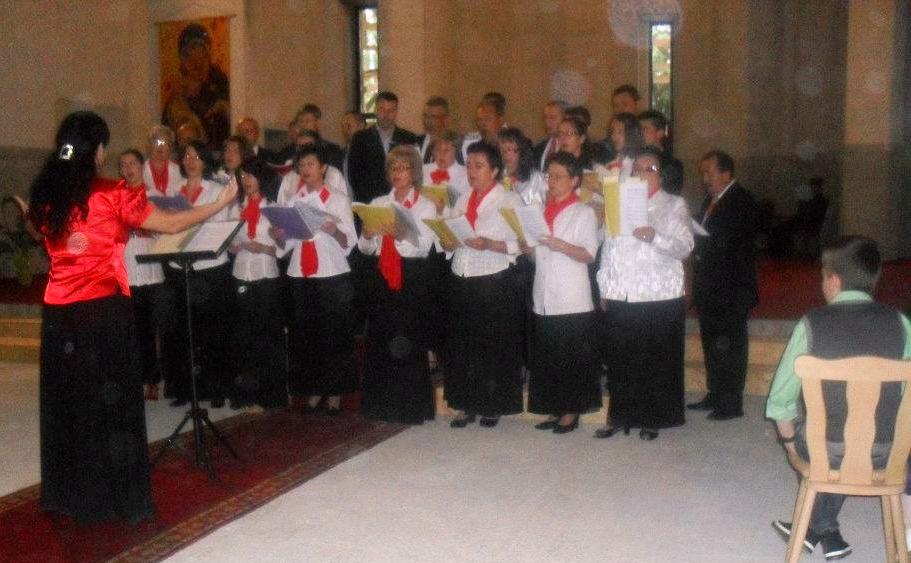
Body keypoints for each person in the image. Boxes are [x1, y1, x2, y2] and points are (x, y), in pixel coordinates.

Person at [29, 111, 236, 524]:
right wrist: (220, 203)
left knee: (70, 403)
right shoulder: (110, 193)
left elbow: (49, 238)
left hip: (59, 315)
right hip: (102, 310)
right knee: (110, 406)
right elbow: (170, 223)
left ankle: (70, 492)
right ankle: (113, 495)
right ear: (97, 151)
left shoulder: (46, 193)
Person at [768, 236, 911, 561]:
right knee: (857, 436)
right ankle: (825, 529)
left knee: (820, 439)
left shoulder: (811, 325)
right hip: (888, 451)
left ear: (833, 280)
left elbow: (779, 402)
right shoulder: (901, 323)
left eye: (822, 275)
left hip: (828, 450)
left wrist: (789, 445)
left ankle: (813, 529)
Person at [594, 147, 693, 441]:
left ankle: (654, 417)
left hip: (658, 295)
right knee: (621, 359)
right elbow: (608, 248)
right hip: (622, 293)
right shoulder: (618, 203)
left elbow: (685, 246)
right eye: (637, 169)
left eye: (650, 169)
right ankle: (620, 416)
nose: (641, 173)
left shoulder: (673, 204)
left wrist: (654, 236)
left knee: (655, 360)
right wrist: (605, 286)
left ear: (661, 177)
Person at [443, 141, 524, 428]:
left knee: (492, 344)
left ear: (495, 170)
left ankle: (493, 404)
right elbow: (449, 237)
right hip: (462, 274)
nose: (471, 172)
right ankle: (465, 403)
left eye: (479, 166)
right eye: (468, 166)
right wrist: (447, 240)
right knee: (463, 343)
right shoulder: (461, 199)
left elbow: (522, 243)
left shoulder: (509, 200)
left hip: (493, 277)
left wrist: (489, 244)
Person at [273, 145, 358, 414]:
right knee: (306, 334)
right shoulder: (294, 200)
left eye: (311, 164)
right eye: (302, 165)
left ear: (323, 168)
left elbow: (350, 241)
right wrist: (278, 234)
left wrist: (334, 231)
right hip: (301, 271)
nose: (305, 169)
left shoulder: (337, 199)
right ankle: (313, 387)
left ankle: (335, 391)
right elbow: (285, 245)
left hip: (330, 271)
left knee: (333, 333)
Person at [357, 146, 438, 423]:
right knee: (381, 339)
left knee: (408, 341)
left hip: (411, 276)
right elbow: (365, 249)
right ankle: (382, 405)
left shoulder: (425, 205)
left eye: (403, 168)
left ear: (414, 173)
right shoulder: (379, 202)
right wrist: (368, 235)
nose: (397, 173)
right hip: (382, 275)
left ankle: (410, 407)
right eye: (393, 168)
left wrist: (402, 234)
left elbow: (424, 247)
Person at [526, 152, 602, 434]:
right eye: (550, 176)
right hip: (544, 293)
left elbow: (589, 254)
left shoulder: (583, 212)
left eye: (559, 176)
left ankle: (571, 410)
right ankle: (553, 406)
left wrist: (560, 245)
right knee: (549, 355)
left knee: (570, 357)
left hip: (571, 296)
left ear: (574, 181)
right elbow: (538, 256)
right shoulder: (539, 211)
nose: (552, 181)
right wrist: (528, 249)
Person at [687, 150, 760, 420]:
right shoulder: (711, 199)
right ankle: (715, 393)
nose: (704, 178)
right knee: (712, 343)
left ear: (726, 173)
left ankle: (731, 402)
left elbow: (737, 241)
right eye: (703, 173)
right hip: (710, 286)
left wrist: (706, 239)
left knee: (731, 345)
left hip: (732, 287)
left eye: (709, 172)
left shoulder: (741, 200)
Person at [164, 141, 236, 409]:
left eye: (196, 156)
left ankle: (216, 387)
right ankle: (186, 388)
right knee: (183, 331)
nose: (190, 160)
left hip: (209, 267)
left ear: (205, 161)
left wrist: (191, 219)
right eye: (186, 156)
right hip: (180, 265)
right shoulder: (174, 190)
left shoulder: (216, 190)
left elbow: (220, 225)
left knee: (212, 331)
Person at [228, 158, 287, 409]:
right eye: (242, 176)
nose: (246, 181)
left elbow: (283, 249)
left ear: (261, 178)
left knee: (267, 337)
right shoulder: (236, 209)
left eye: (250, 175)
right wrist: (234, 246)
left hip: (266, 274)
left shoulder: (273, 209)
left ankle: (270, 394)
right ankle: (245, 393)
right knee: (244, 336)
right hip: (242, 272)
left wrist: (264, 246)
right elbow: (228, 243)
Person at [119, 149, 172, 401]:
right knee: (130, 329)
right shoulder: (116, 197)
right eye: (123, 165)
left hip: (150, 270)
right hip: (126, 268)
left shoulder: (155, 196)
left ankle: (152, 379)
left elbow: (167, 230)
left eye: (132, 163)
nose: (128, 169)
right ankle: (132, 379)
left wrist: (150, 229)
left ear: (142, 166)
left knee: (151, 329)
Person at [161, 23, 230, 151]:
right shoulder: (175, 104)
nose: (197, 65)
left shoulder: (221, 91)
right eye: (190, 59)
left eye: (202, 57)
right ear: (183, 62)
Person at [347, 91, 418, 204]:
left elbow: (415, 173)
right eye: (382, 109)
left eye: (391, 110)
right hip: (370, 202)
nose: (386, 114)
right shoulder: (360, 138)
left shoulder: (408, 139)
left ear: (396, 112)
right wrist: (369, 203)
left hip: (401, 201)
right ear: (376, 110)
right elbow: (354, 175)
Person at [498, 127, 548, 205]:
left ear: (521, 151)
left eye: (509, 149)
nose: (506, 155)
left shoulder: (537, 179)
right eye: (502, 150)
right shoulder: (498, 177)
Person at [422, 130, 469, 205]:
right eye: (437, 149)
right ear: (433, 152)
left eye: (446, 150)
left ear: (456, 151)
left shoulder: (466, 174)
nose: (442, 154)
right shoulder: (422, 170)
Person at [293, 104, 345, 170]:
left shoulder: (331, 150)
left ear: (317, 123)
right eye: (301, 121)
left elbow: (334, 174)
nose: (303, 125)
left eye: (307, 121)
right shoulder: (293, 149)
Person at [142, 125, 184, 197]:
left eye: (164, 142)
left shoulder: (179, 170)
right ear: (149, 146)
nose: (160, 146)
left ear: (170, 148)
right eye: (156, 142)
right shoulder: (140, 170)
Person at [604, 112, 643, 181]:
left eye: (620, 132)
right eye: (613, 131)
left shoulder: (639, 164)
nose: (614, 136)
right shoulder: (615, 158)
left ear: (632, 135)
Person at [417, 96, 451, 163]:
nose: (428, 121)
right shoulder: (416, 142)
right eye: (425, 116)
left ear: (445, 119)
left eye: (433, 117)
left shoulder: (456, 144)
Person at [533, 101, 565, 170]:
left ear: (564, 119)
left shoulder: (569, 149)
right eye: (545, 117)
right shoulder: (538, 148)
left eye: (552, 118)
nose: (547, 122)